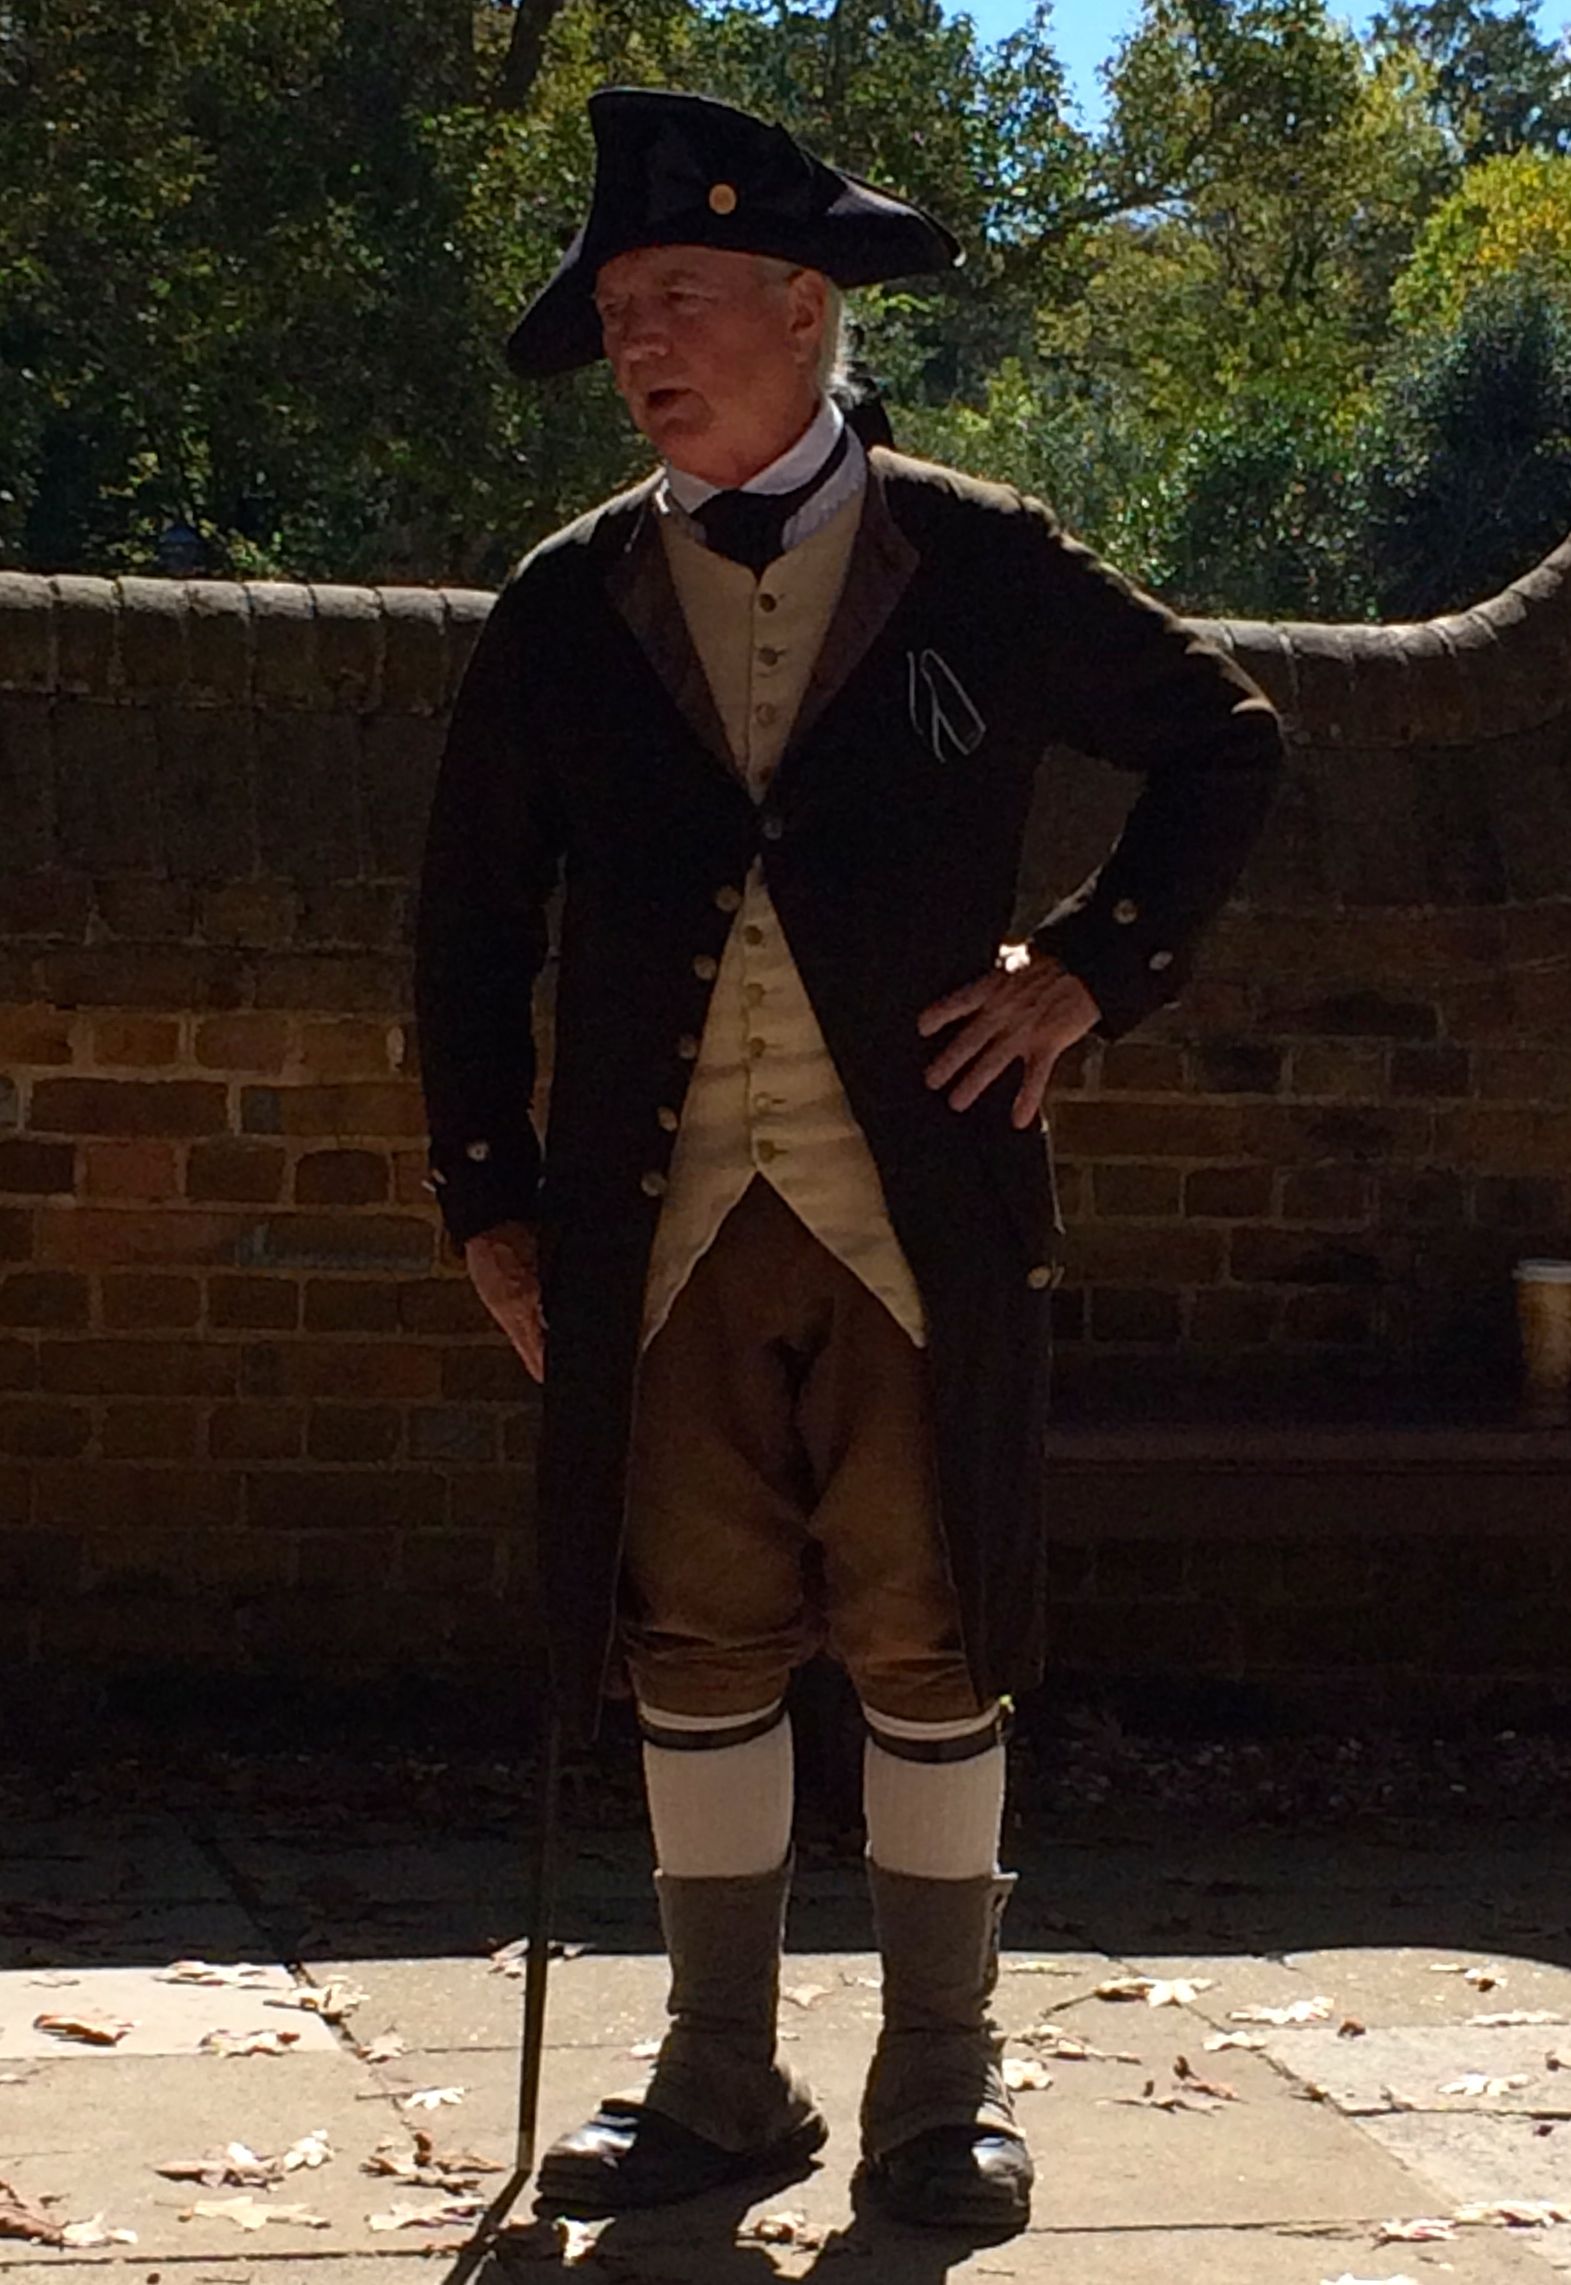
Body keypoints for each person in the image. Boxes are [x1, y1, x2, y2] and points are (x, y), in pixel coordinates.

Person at [413, 85, 1283, 2236]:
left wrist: (1089, 971)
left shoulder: (976, 557)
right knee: (693, 1641)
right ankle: (722, 2078)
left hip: (922, 1207)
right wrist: (490, 1200)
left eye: (680, 294)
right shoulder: (567, 602)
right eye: (620, 308)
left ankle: (939, 2088)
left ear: (806, 309)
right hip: (659, 1221)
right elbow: (468, 924)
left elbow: (1223, 741)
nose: (640, 340)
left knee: (931, 1635)